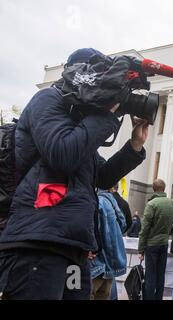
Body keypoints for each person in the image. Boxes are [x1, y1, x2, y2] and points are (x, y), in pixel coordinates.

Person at [0, 48, 148, 300]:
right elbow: (62, 153)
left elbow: (100, 177)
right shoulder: (47, 99)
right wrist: (108, 115)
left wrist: (134, 145)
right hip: (37, 242)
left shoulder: (80, 123)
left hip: (73, 248)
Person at [138, 179, 173, 300]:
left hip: (151, 244)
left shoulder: (151, 204)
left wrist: (141, 249)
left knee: (150, 275)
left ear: (153, 189)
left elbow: (144, 229)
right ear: (164, 188)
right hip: (164, 243)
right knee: (161, 275)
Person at [90, 189, 128, 300]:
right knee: (103, 295)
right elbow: (123, 224)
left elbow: (93, 231)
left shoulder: (97, 201)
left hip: (97, 263)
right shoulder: (112, 201)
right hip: (111, 264)